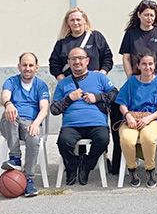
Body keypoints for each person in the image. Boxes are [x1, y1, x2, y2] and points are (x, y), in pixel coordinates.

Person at [119, 0, 157, 171]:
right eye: (146, 15)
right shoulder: (131, 34)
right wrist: (131, 77)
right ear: (139, 15)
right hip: (137, 82)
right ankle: (132, 160)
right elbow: (126, 57)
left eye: (152, 15)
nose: (149, 18)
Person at [50, 47, 118, 186]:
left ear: (87, 61)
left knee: (103, 140)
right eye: (73, 59)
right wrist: (69, 98)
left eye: (80, 58)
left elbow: (115, 94)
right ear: (69, 62)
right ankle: (72, 167)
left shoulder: (99, 77)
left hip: (97, 124)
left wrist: (97, 97)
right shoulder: (63, 83)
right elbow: (54, 109)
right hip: (72, 126)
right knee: (63, 142)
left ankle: (86, 165)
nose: (77, 61)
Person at [115, 52, 157, 188]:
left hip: (154, 119)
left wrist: (148, 119)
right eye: (144, 64)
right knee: (127, 138)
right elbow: (122, 103)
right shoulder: (131, 82)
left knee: (148, 137)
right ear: (138, 66)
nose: (147, 67)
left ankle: (150, 170)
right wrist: (127, 115)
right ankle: (132, 169)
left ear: (155, 65)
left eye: (150, 64)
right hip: (132, 118)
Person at [0, 52, 50, 197]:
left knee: (34, 139)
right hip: (10, 124)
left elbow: (44, 108)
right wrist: (8, 104)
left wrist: (36, 124)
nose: (27, 68)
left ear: (36, 67)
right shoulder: (11, 81)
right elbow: (5, 95)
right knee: (11, 115)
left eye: (31, 65)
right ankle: (15, 157)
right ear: (19, 66)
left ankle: (29, 180)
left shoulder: (41, 85)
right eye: (24, 65)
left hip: (30, 123)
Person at [48, 7, 113, 80]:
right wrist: (61, 78)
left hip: (94, 81)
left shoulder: (96, 37)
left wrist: (102, 73)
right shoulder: (62, 42)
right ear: (67, 23)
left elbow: (107, 57)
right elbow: (54, 63)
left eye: (78, 19)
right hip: (70, 83)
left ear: (85, 20)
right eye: (72, 20)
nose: (75, 23)